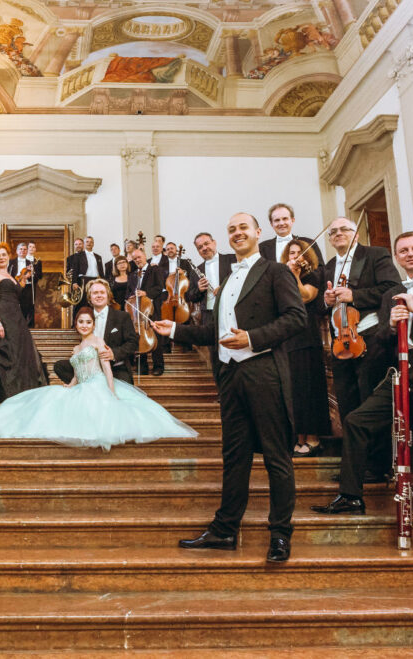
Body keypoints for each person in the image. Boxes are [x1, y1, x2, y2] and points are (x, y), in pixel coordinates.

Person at [154, 212, 306, 563]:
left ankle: (280, 534)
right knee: (234, 457)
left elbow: (296, 318)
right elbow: (214, 333)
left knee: (276, 457)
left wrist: (253, 337)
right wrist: (175, 331)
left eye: (243, 228)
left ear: (257, 232)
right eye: (232, 229)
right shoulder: (224, 283)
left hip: (265, 372)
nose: (238, 233)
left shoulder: (276, 272)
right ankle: (225, 529)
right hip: (230, 377)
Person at [313, 231, 413, 551]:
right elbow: (384, 341)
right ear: (397, 258)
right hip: (399, 373)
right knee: (357, 421)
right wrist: (390, 326)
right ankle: (350, 496)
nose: (410, 254)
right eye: (403, 251)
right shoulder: (391, 294)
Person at [0, 306, 198, 450]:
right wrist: (69, 385)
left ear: (92, 325)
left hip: (99, 385)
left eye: (88, 322)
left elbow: (106, 369)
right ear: (76, 325)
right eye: (80, 322)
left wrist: (111, 392)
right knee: (52, 399)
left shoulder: (98, 342)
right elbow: (79, 375)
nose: (84, 325)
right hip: (82, 385)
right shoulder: (76, 347)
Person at [322, 217, 400, 479]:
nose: (338, 234)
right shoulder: (330, 265)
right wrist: (327, 300)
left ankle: (377, 466)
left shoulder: (375, 254)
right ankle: (353, 468)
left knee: (370, 403)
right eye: (333, 232)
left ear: (356, 233)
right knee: (347, 406)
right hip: (339, 342)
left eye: (344, 229)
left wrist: (355, 295)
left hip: (369, 337)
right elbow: (325, 306)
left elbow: (392, 288)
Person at [0, 243, 47, 403]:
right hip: (3, 316)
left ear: (9, 257)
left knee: (20, 354)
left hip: (17, 318)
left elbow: (16, 292)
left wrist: (23, 279)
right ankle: (5, 394)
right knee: (6, 353)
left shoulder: (10, 276)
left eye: (4, 255)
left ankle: (21, 391)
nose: (1, 257)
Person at [281, 239, 331, 457]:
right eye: (291, 253)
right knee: (295, 391)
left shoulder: (313, 275)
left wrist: (293, 274)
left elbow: (304, 296)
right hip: (288, 337)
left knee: (309, 388)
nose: (295, 256)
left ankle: (313, 438)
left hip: (307, 336)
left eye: (299, 253)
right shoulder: (283, 276)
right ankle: (299, 437)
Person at [54, 278, 138, 385]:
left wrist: (114, 353)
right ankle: (87, 387)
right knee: (59, 366)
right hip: (90, 367)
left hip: (116, 368)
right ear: (90, 297)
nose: (99, 295)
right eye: (95, 293)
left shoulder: (122, 317)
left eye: (102, 292)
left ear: (108, 296)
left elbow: (133, 343)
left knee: (124, 389)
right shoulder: (85, 317)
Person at [185, 232, 234, 386]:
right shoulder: (196, 270)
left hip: (231, 312)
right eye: (200, 247)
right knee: (215, 355)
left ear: (214, 242)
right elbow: (190, 297)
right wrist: (199, 289)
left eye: (206, 244)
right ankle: (221, 391)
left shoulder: (231, 259)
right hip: (209, 315)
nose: (204, 248)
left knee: (234, 350)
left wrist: (225, 288)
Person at [129, 247, 165, 376]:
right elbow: (129, 291)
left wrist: (146, 293)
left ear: (145, 256)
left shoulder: (155, 269)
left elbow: (160, 287)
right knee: (139, 338)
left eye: (139, 257)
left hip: (151, 309)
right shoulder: (132, 275)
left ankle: (158, 366)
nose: (137, 260)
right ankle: (142, 366)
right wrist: (131, 296)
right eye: (134, 259)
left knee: (156, 338)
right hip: (137, 312)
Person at [259, 203, 325, 269]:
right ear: (271, 224)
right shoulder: (262, 248)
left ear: (292, 220)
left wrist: (303, 269)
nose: (281, 223)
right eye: (277, 220)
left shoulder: (309, 243)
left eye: (285, 219)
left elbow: (321, 272)